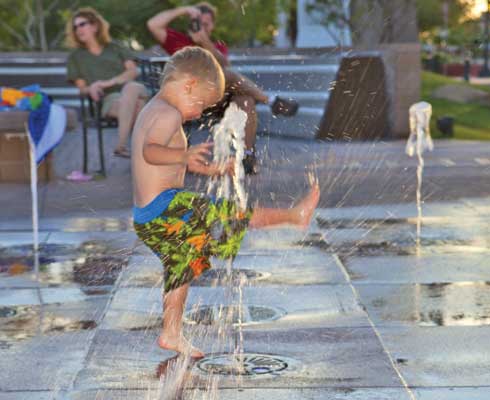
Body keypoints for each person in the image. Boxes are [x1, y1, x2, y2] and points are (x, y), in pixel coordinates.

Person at [131, 46, 319, 358]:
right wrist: (183, 156)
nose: (200, 111)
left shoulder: (155, 108)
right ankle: (293, 216)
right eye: (201, 103)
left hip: (148, 214)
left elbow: (164, 162)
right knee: (230, 215)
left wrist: (206, 166)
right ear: (188, 84)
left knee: (182, 268)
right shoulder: (168, 113)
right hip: (164, 207)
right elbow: (149, 152)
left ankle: (171, 332)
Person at [147, 2, 299, 174]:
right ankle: (270, 100)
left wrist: (204, 41)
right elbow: (152, 24)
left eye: (206, 24)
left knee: (246, 101)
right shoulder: (179, 41)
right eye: (198, 23)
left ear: (212, 26)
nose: (201, 27)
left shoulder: (217, 46)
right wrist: (184, 10)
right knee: (226, 74)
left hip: (218, 101)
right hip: (187, 99)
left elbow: (223, 63)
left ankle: (247, 156)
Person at [66, 7, 148, 158]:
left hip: (135, 91)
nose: (78, 29)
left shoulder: (115, 47)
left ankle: (121, 145)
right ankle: (144, 154)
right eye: (75, 27)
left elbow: (133, 71)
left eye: (82, 24)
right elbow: (82, 88)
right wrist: (91, 88)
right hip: (110, 100)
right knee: (137, 108)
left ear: (95, 26)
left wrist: (107, 82)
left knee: (131, 87)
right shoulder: (75, 57)